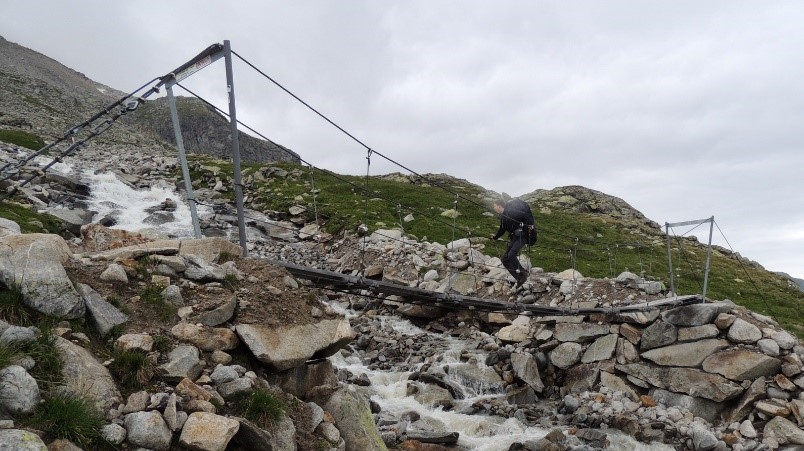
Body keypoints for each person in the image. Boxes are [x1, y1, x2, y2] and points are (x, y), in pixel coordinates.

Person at [491, 197, 536, 288]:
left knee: (511, 255)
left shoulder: (511, 212)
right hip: (515, 237)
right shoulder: (503, 217)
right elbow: (502, 229)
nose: (494, 208)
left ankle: (523, 273)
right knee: (505, 259)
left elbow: (525, 215)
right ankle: (519, 278)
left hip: (522, 235)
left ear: (499, 206)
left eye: (494, 206)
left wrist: (531, 226)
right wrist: (495, 237)